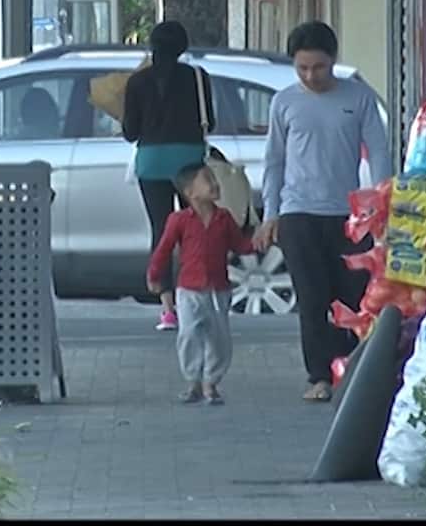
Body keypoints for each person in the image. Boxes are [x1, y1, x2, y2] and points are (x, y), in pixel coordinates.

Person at [253, 21, 394, 402]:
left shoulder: (358, 98)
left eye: (318, 67)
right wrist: (272, 213)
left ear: (332, 60)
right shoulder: (284, 102)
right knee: (312, 299)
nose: (311, 76)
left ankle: (349, 369)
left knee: (354, 296)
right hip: (298, 214)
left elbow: (378, 152)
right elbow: (275, 162)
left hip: (348, 216)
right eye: (302, 69)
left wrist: (380, 206)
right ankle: (318, 376)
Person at [122, 20, 215, 331]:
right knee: (195, 229)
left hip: (151, 162)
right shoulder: (198, 78)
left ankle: (167, 309)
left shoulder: (137, 82)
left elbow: (130, 132)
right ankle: (195, 300)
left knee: (161, 230)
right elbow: (209, 123)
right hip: (189, 161)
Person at [147, 163, 257, 405]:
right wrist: (155, 275)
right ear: (190, 192)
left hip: (218, 289)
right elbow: (163, 249)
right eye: (208, 180)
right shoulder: (179, 220)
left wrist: (259, 242)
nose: (216, 184)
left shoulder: (224, 218)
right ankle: (193, 380)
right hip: (188, 290)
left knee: (219, 338)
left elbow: (239, 246)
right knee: (188, 334)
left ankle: (211, 382)